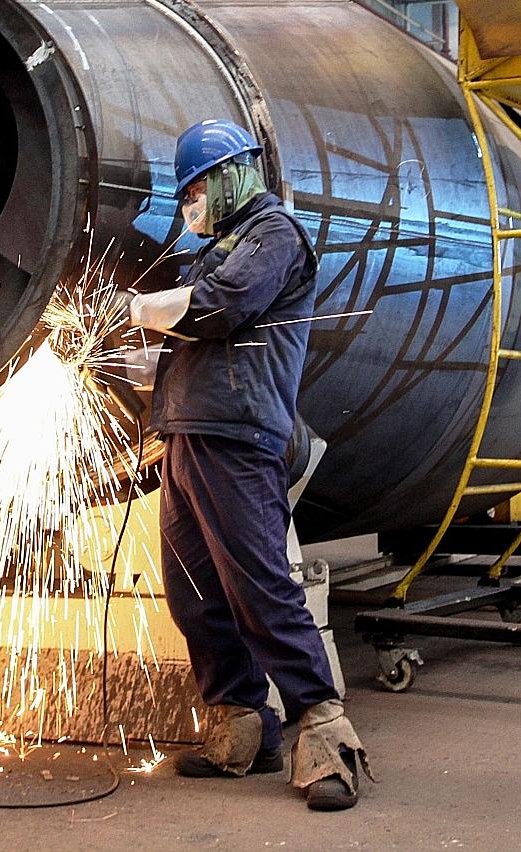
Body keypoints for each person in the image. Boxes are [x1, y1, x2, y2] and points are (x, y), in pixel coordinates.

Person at [126, 120, 372, 811]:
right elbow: (193, 338)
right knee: (194, 592)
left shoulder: (274, 236)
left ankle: (326, 738)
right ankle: (242, 727)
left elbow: (221, 308)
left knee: (260, 587)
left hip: (236, 437)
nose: (191, 204)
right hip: (187, 435)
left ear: (233, 174)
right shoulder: (217, 250)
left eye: (197, 189)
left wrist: (135, 307)